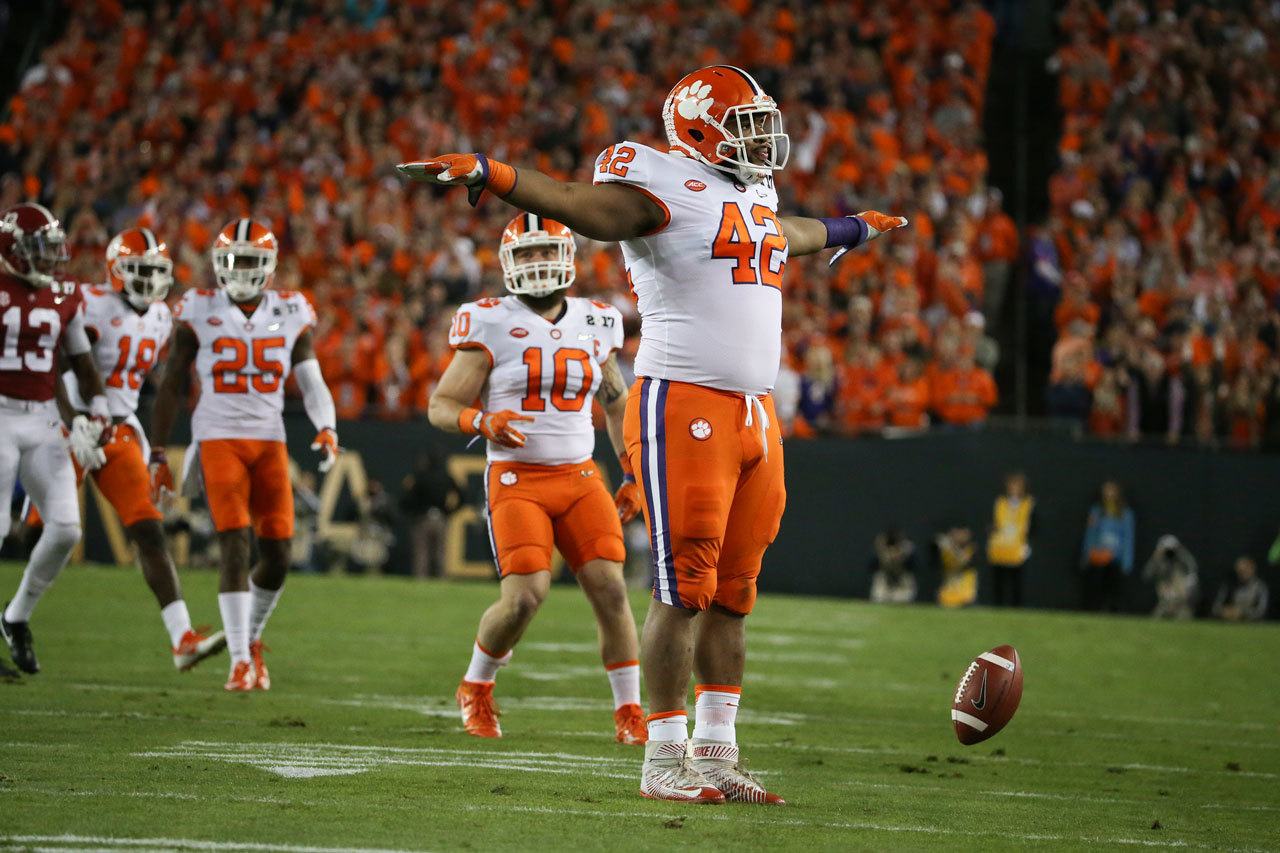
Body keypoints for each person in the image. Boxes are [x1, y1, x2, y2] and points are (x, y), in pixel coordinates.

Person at [401, 64, 908, 803]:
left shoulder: (751, 192)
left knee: (735, 592)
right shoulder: (661, 183)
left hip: (754, 409)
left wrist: (850, 228)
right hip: (684, 402)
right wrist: (495, 172)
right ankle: (663, 757)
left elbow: (784, 234)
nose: (763, 138)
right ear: (700, 129)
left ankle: (716, 751)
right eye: (746, 124)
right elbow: (580, 205)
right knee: (683, 589)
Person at [428, 213, 647, 746]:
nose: (536, 262)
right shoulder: (489, 321)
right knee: (525, 596)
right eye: (524, 253)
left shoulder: (597, 320)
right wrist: (480, 421)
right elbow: (441, 404)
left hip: (578, 475)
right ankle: (476, 687)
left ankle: (630, 711)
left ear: (568, 256)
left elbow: (616, 403)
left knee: (611, 589)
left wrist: (631, 472)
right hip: (516, 477)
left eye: (544, 250)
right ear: (507, 263)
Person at [150, 218, 340, 691]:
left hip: (269, 439)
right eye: (232, 260)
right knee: (234, 541)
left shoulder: (293, 310)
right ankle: (238, 661)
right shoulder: (199, 309)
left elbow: (311, 379)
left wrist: (327, 427)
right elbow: (172, 381)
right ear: (217, 264)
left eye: (251, 261)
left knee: (277, 551)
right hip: (217, 436)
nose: (240, 270)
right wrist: (156, 446)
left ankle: (249, 639)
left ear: (270, 267)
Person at [26, 228, 225, 669]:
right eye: (139, 270)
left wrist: (153, 449)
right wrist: (71, 419)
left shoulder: (159, 318)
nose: (148, 280)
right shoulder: (91, 305)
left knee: (149, 530)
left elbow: (145, 387)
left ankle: (182, 639)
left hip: (116, 434)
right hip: (67, 428)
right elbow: (54, 368)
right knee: (27, 534)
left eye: (155, 271)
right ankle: (14, 618)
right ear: (116, 271)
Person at [0, 203, 112, 675]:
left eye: (51, 250)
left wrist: (97, 414)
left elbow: (82, 365)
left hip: (44, 417)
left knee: (66, 527)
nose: (49, 260)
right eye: (39, 250)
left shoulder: (64, 295)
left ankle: (16, 616)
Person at [399, 448, 463, 579]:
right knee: (440, 553)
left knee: (421, 553)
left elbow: (408, 498)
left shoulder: (420, 476)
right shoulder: (446, 477)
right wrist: (449, 511)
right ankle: (441, 580)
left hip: (423, 518)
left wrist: (413, 512)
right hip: (440, 518)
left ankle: (421, 581)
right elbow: (462, 495)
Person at [1079, 480, 1135, 612]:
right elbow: (1090, 533)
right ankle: (1096, 610)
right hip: (1098, 556)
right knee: (1096, 586)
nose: (1109, 494)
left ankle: (1112, 612)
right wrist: (1087, 553)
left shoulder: (1125, 513)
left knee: (1114, 588)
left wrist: (1127, 560)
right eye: (1106, 491)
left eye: (1112, 490)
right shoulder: (1097, 511)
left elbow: (1128, 538)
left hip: (1115, 557)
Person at [986, 472, 1034, 607]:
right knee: (999, 582)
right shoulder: (1000, 503)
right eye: (1011, 485)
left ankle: (1016, 610)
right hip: (1000, 547)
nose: (1013, 488)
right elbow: (992, 524)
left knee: (1017, 582)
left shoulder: (1028, 504)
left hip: (1017, 548)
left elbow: (1033, 526)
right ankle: (998, 609)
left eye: (1017, 485)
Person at [1141, 535, 1198, 619]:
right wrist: (1155, 558)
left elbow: (1192, 568)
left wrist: (1187, 587)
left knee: (1184, 614)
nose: (1169, 553)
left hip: (1181, 592)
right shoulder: (1159, 560)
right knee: (1162, 612)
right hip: (1165, 589)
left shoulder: (1181, 559)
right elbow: (1147, 575)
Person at [1211, 556, 1269, 622]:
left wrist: (1242, 613)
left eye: (1246, 570)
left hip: (1253, 625)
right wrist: (1224, 611)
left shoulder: (1260, 587)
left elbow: (1261, 611)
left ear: (1253, 569)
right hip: (1230, 624)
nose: (1243, 574)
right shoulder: (1229, 586)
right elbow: (1215, 608)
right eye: (1240, 571)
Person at [868, 528, 917, 604]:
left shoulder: (906, 550)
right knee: (879, 596)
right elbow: (872, 567)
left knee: (901, 600)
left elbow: (913, 567)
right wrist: (882, 555)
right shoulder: (882, 549)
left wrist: (902, 557)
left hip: (901, 583)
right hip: (886, 582)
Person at [935, 526, 978, 608]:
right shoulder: (946, 549)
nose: (960, 536)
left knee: (965, 601)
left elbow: (963, 562)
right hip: (949, 585)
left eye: (963, 533)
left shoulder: (971, 548)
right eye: (957, 533)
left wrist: (951, 547)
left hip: (965, 586)